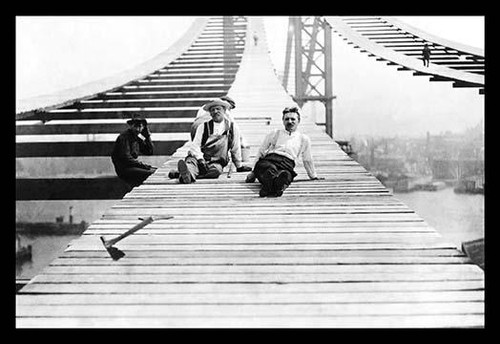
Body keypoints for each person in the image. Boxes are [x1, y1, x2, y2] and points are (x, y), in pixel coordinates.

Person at [170, 99, 252, 183]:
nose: (215, 111)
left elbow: (235, 148)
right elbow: (195, 146)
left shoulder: (232, 128)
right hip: (199, 159)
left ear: (224, 110)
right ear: (210, 113)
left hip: (216, 162)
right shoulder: (203, 127)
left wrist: (239, 166)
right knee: (191, 164)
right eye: (212, 110)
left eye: (218, 109)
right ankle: (188, 173)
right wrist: (200, 159)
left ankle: (185, 175)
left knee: (216, 171)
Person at [245, 106, 321, 197]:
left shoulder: (303, 139)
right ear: (283, 120)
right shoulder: (274, 133)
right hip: (270, 159)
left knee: (287, 176)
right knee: (266, 169)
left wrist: (313, 176)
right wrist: (253, 173)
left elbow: (307, 159)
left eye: (293, 119)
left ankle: (270, 186)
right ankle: (274, 187)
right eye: (287, 119)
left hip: (287, 163)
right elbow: (261, 152)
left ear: (298, 121)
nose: (290, 122)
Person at [111, 114, 157, 187]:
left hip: (133, 167)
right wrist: (143, 166)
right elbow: (126, 158)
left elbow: (149, 151)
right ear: (131, 126)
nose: (137, 129)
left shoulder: (138, 136)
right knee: (153, 173)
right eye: (135, 126)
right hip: (125, 169)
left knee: (157, 170)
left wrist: (147, 136)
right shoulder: (124, 137)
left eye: (140, 126)